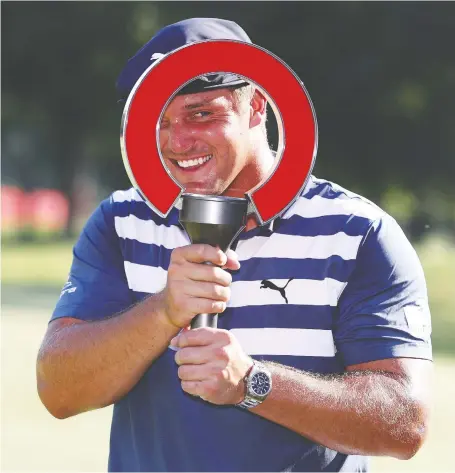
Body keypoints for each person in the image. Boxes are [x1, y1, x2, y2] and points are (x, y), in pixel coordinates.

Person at [36, 18, 433, 472]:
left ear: (258, 106)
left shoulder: (356, 232)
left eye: (202, 113)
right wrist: (164, 311)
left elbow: (405, 422)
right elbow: (59, 391)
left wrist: (252, 383)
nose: (178, 140)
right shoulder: (121, 223)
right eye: (159, 120)